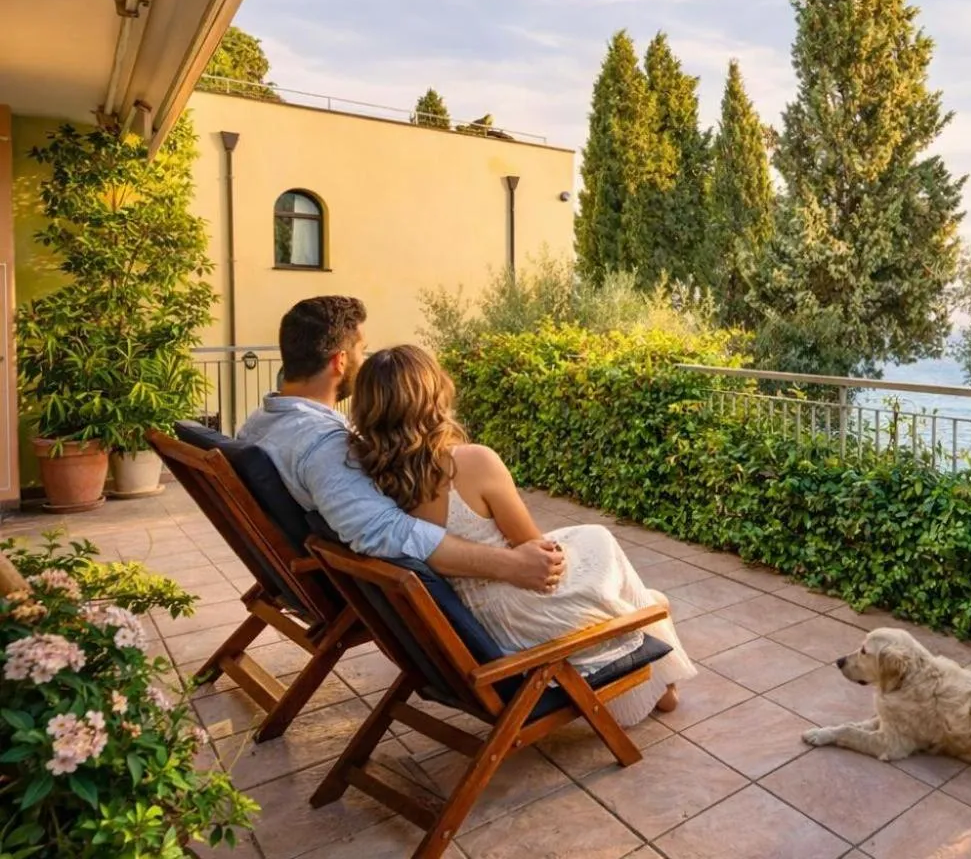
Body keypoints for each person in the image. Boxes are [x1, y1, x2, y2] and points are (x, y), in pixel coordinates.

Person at [347, 345, 696, 725]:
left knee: (590, 543)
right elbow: (530, 543)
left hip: (474, 623)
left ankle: (645, 626)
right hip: (521, 615)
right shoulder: (471, 462)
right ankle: (652, 658)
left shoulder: (366, 484)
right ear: (434, 396)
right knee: (601, 543)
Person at [239, 297, 565, 592]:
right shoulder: (324, 445)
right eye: (360, 350)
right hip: (356, 588)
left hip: (303, 579)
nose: (363, 359)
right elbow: (383, 532)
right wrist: (509, 565)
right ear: (340, 361)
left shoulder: (258, 425)